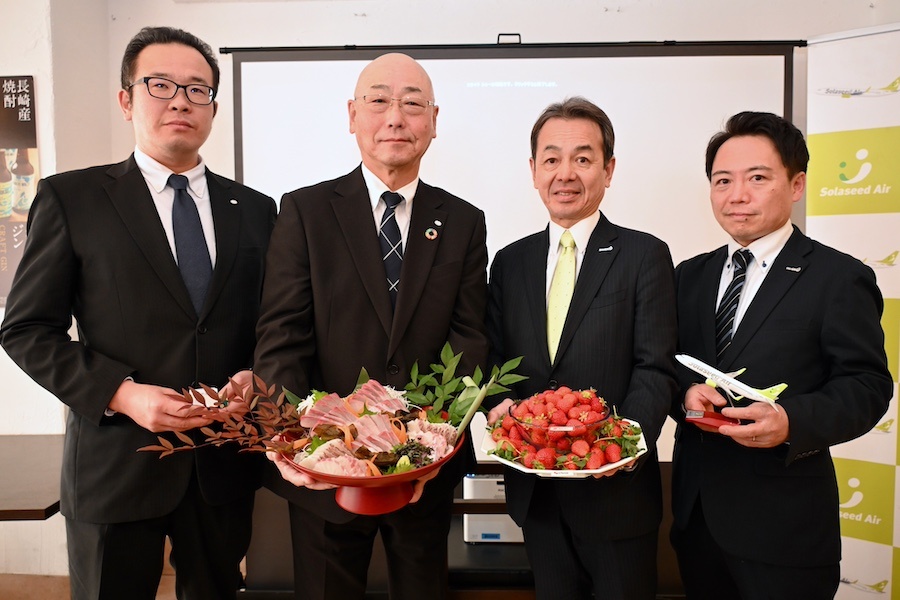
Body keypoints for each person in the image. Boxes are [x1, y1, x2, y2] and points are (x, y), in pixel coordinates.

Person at [0, 26, 276, 600]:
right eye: (161, 85)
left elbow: (268, 320)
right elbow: (27, 329)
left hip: (222, 464)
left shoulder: (253, 209)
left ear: (213, 108)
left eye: (197, 89)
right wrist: (123, 393)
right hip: (115, 462)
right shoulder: (72, 199)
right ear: (127, 100)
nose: (180, 100)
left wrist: (259, 376)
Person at [253, 53, 489, 599]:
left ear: (433, 119)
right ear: (352, 114)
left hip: (422, 471)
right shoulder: (306, 211)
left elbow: (470, 337)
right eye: (379, 101)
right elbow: (281, 335)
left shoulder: (462, 221)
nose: (395, 118)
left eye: (412, 104)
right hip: (324, 467)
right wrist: (297, 442)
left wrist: (433, 441)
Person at [670, 111, 892, 599]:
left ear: (796, 185)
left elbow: (867, 385)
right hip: (697, 520)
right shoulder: (690, 276)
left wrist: (791, 421)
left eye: (757, 178)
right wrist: (685, 392)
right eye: (722, 180)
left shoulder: (837, 277)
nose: (737, 195)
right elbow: (670, 369)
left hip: (786, 530)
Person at [485, 97, 678, 600]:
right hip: (538, 494)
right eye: (551, 159)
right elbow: (494, 359)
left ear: (608, 169)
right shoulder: (510, 262)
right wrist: (493, 407)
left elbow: (655, 367)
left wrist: (621, 448)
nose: (565, 173)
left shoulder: (644, 254)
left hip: (617, 496)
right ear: (533, 171)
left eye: (583, 158)